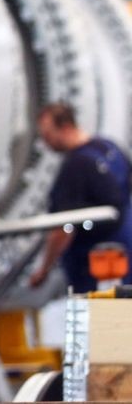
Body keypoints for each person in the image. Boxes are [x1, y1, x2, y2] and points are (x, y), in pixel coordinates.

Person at [30, 102, 132, 292]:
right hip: (124, 259)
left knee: (104, 320)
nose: (46, 143)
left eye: (48, 136)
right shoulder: (109, 148)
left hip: (95, 271)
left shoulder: (76, 166)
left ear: (66, 127)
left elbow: (63, 228)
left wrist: (44, 269)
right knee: (121, 318)